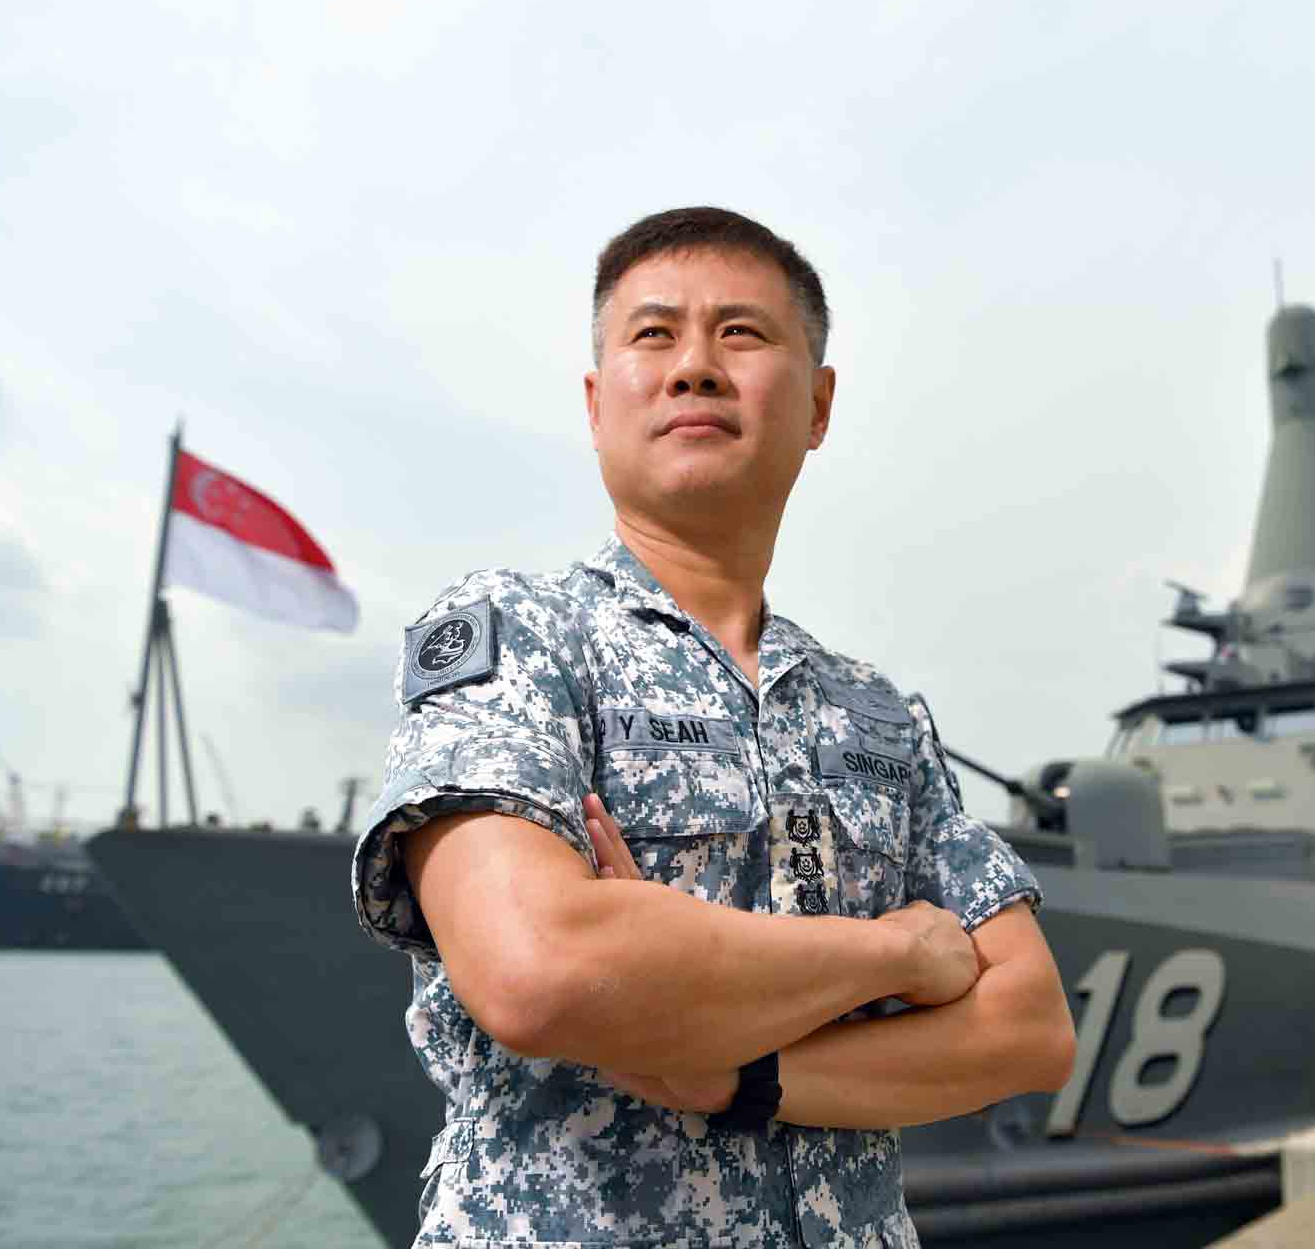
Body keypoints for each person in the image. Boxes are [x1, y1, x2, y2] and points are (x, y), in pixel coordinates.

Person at [352, 206, 1075, 1248]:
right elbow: (538, 967)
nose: (694, 366)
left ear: (817, 405)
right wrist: (897, 950)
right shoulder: (525, 638)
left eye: (741, 333)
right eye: (654, 334)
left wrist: (741, 1076)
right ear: (597, 403)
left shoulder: (878, 714)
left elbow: (1030, 1025)